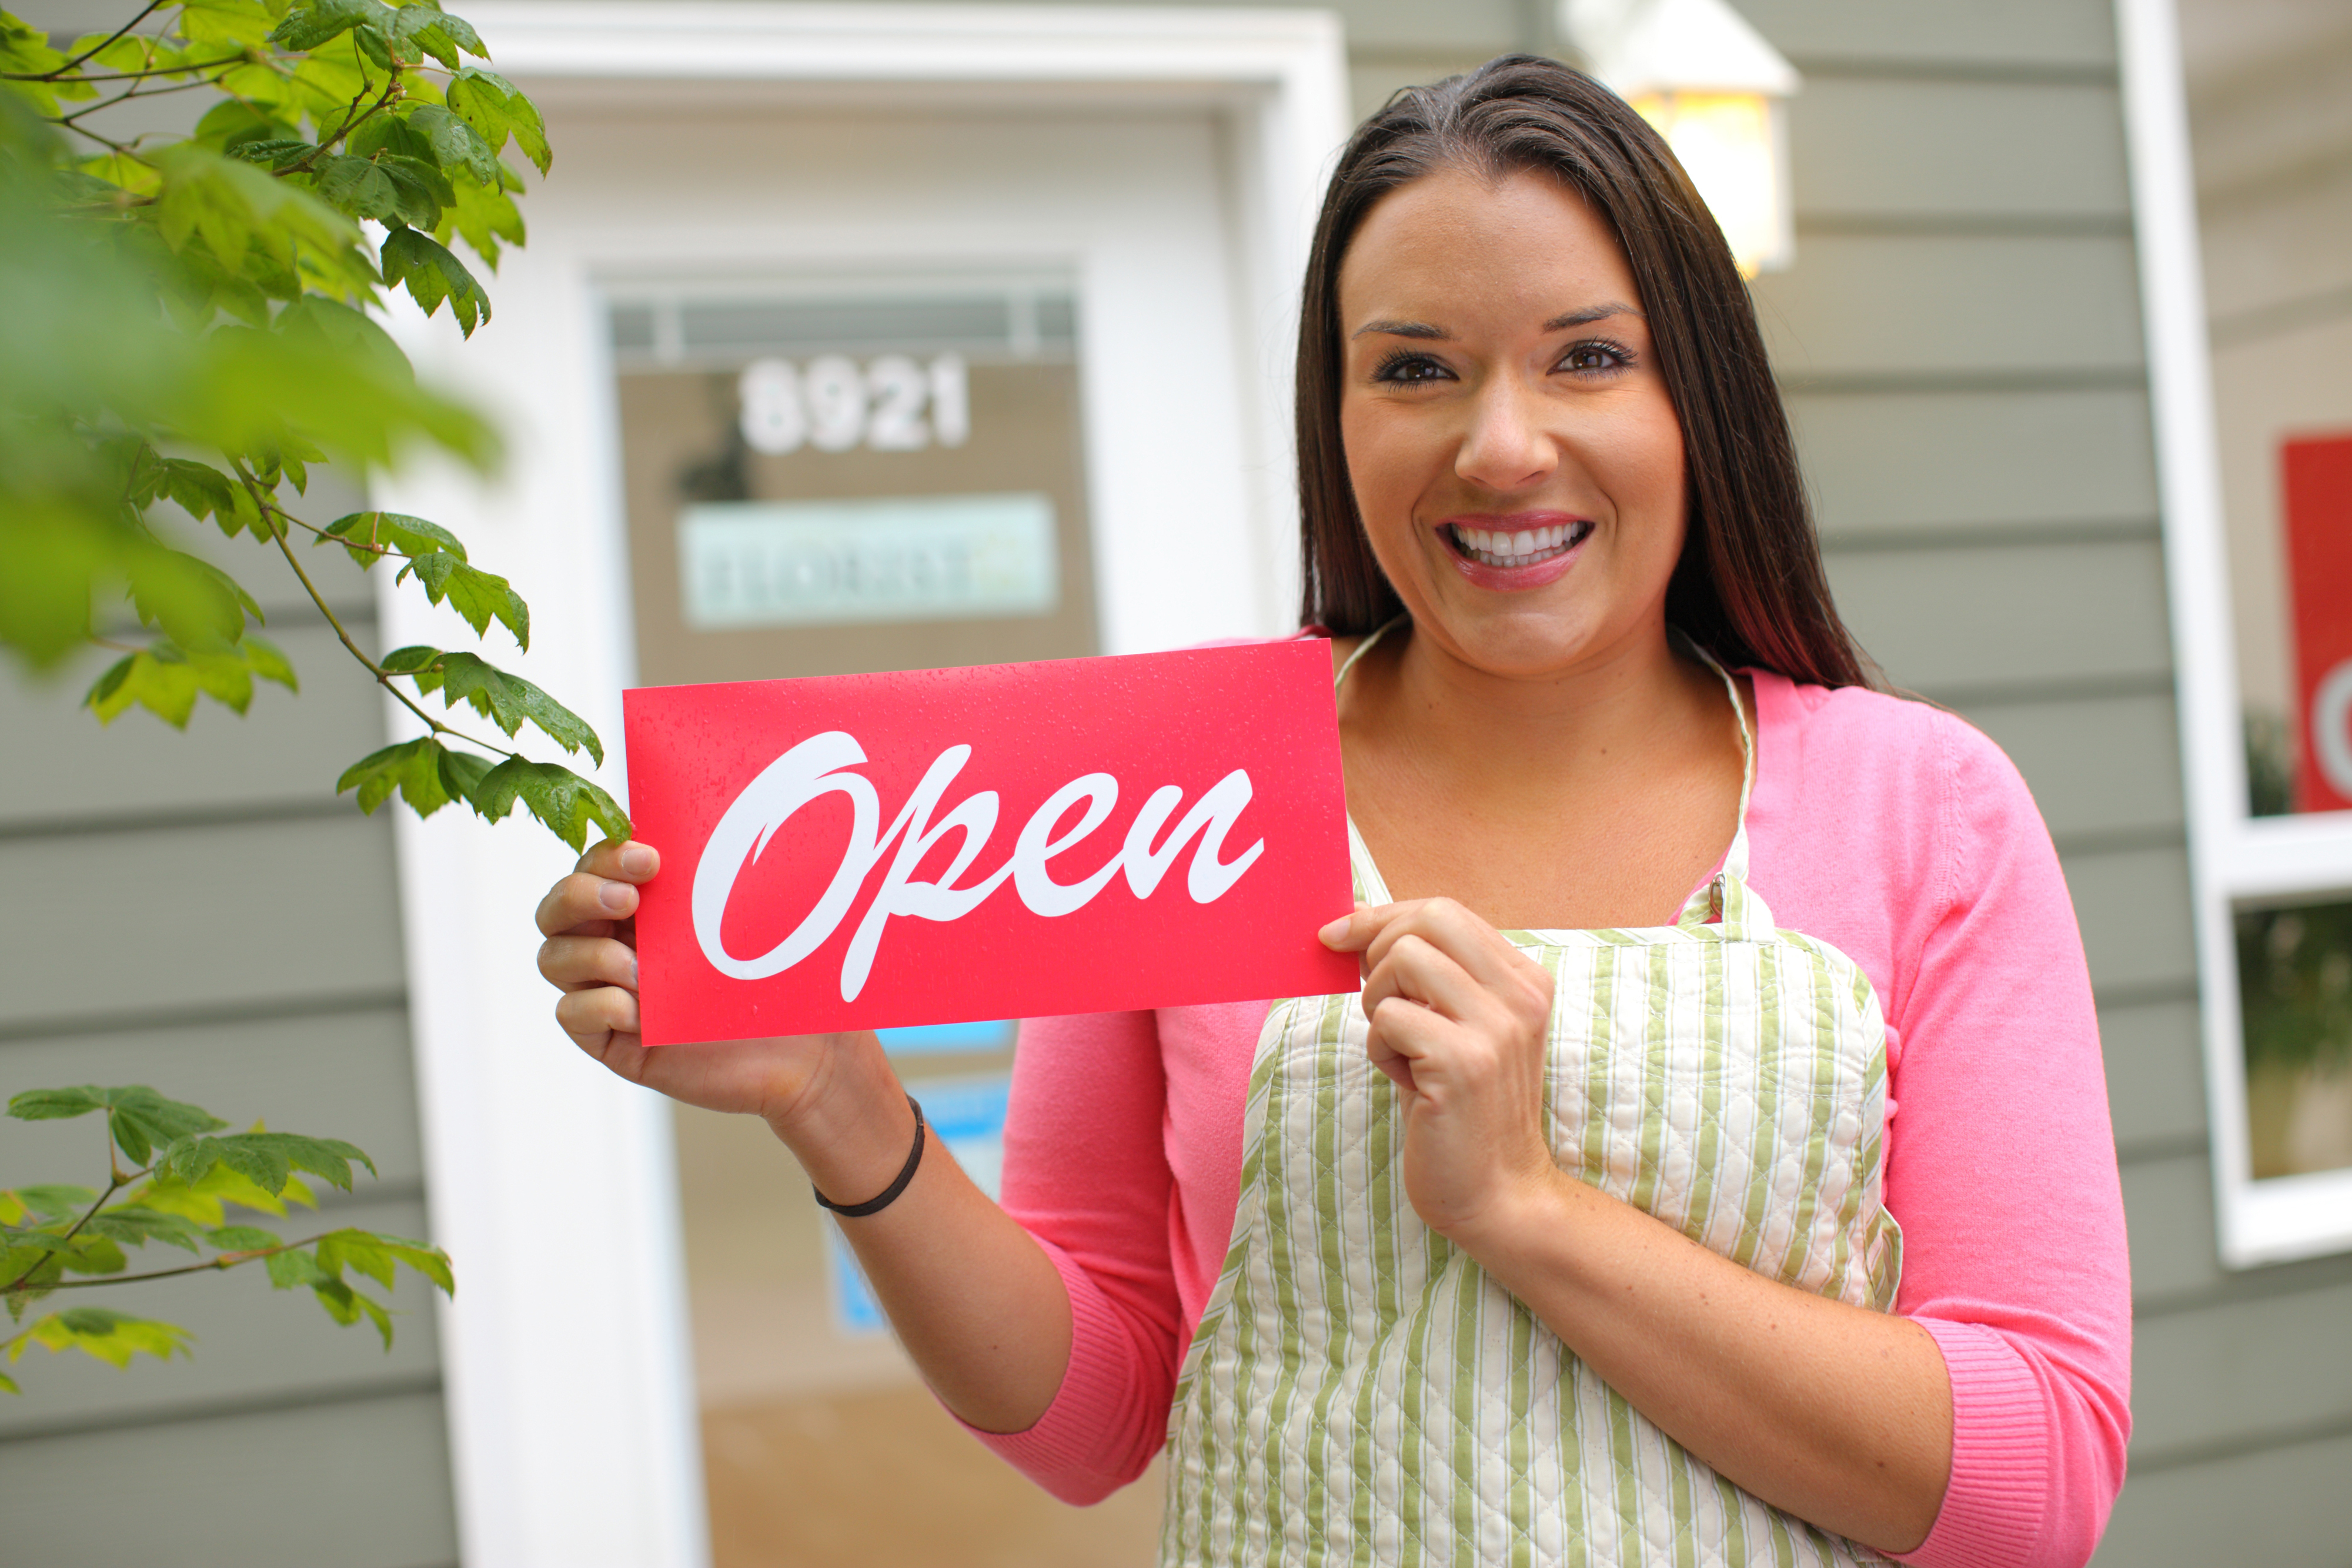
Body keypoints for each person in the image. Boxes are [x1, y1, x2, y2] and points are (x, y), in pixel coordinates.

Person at [535, 55, 2130, 1568]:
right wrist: (838, 1102)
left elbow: (2038, 1481)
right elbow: (1097, 1411)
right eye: (1415, 369)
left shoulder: (1928, 807)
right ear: (1338, 415)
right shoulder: (1180, 792)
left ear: (1696, 397)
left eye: (1588, 354)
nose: (1501, 444)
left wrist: (1525, 1205)